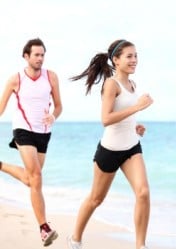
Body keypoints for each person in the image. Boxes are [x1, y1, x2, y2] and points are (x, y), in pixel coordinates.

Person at [67, 39, 153, 249]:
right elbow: (106, 119)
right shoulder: (111, 84)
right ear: (116, 60)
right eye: (129, 56)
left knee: (143, 193)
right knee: (96, 199)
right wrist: (137, 108)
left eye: (136, 55)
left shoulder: (132, 84)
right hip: (110, 151)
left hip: (132, 147)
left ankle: (140, 245)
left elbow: (123, 116)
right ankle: (75, 239)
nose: (134, 60)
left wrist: (135, 126)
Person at [0, 38, 62, 246]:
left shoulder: (51, 77)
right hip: (22, 129)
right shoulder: (15, 79)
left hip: (44, 132)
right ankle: (44, 228)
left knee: (31, 180)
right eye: (36, 55)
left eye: (42, 54)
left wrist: (53, 116)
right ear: (26, 56)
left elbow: (59, 107)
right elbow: (1, 109)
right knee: (36, 176)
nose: (40, 58)